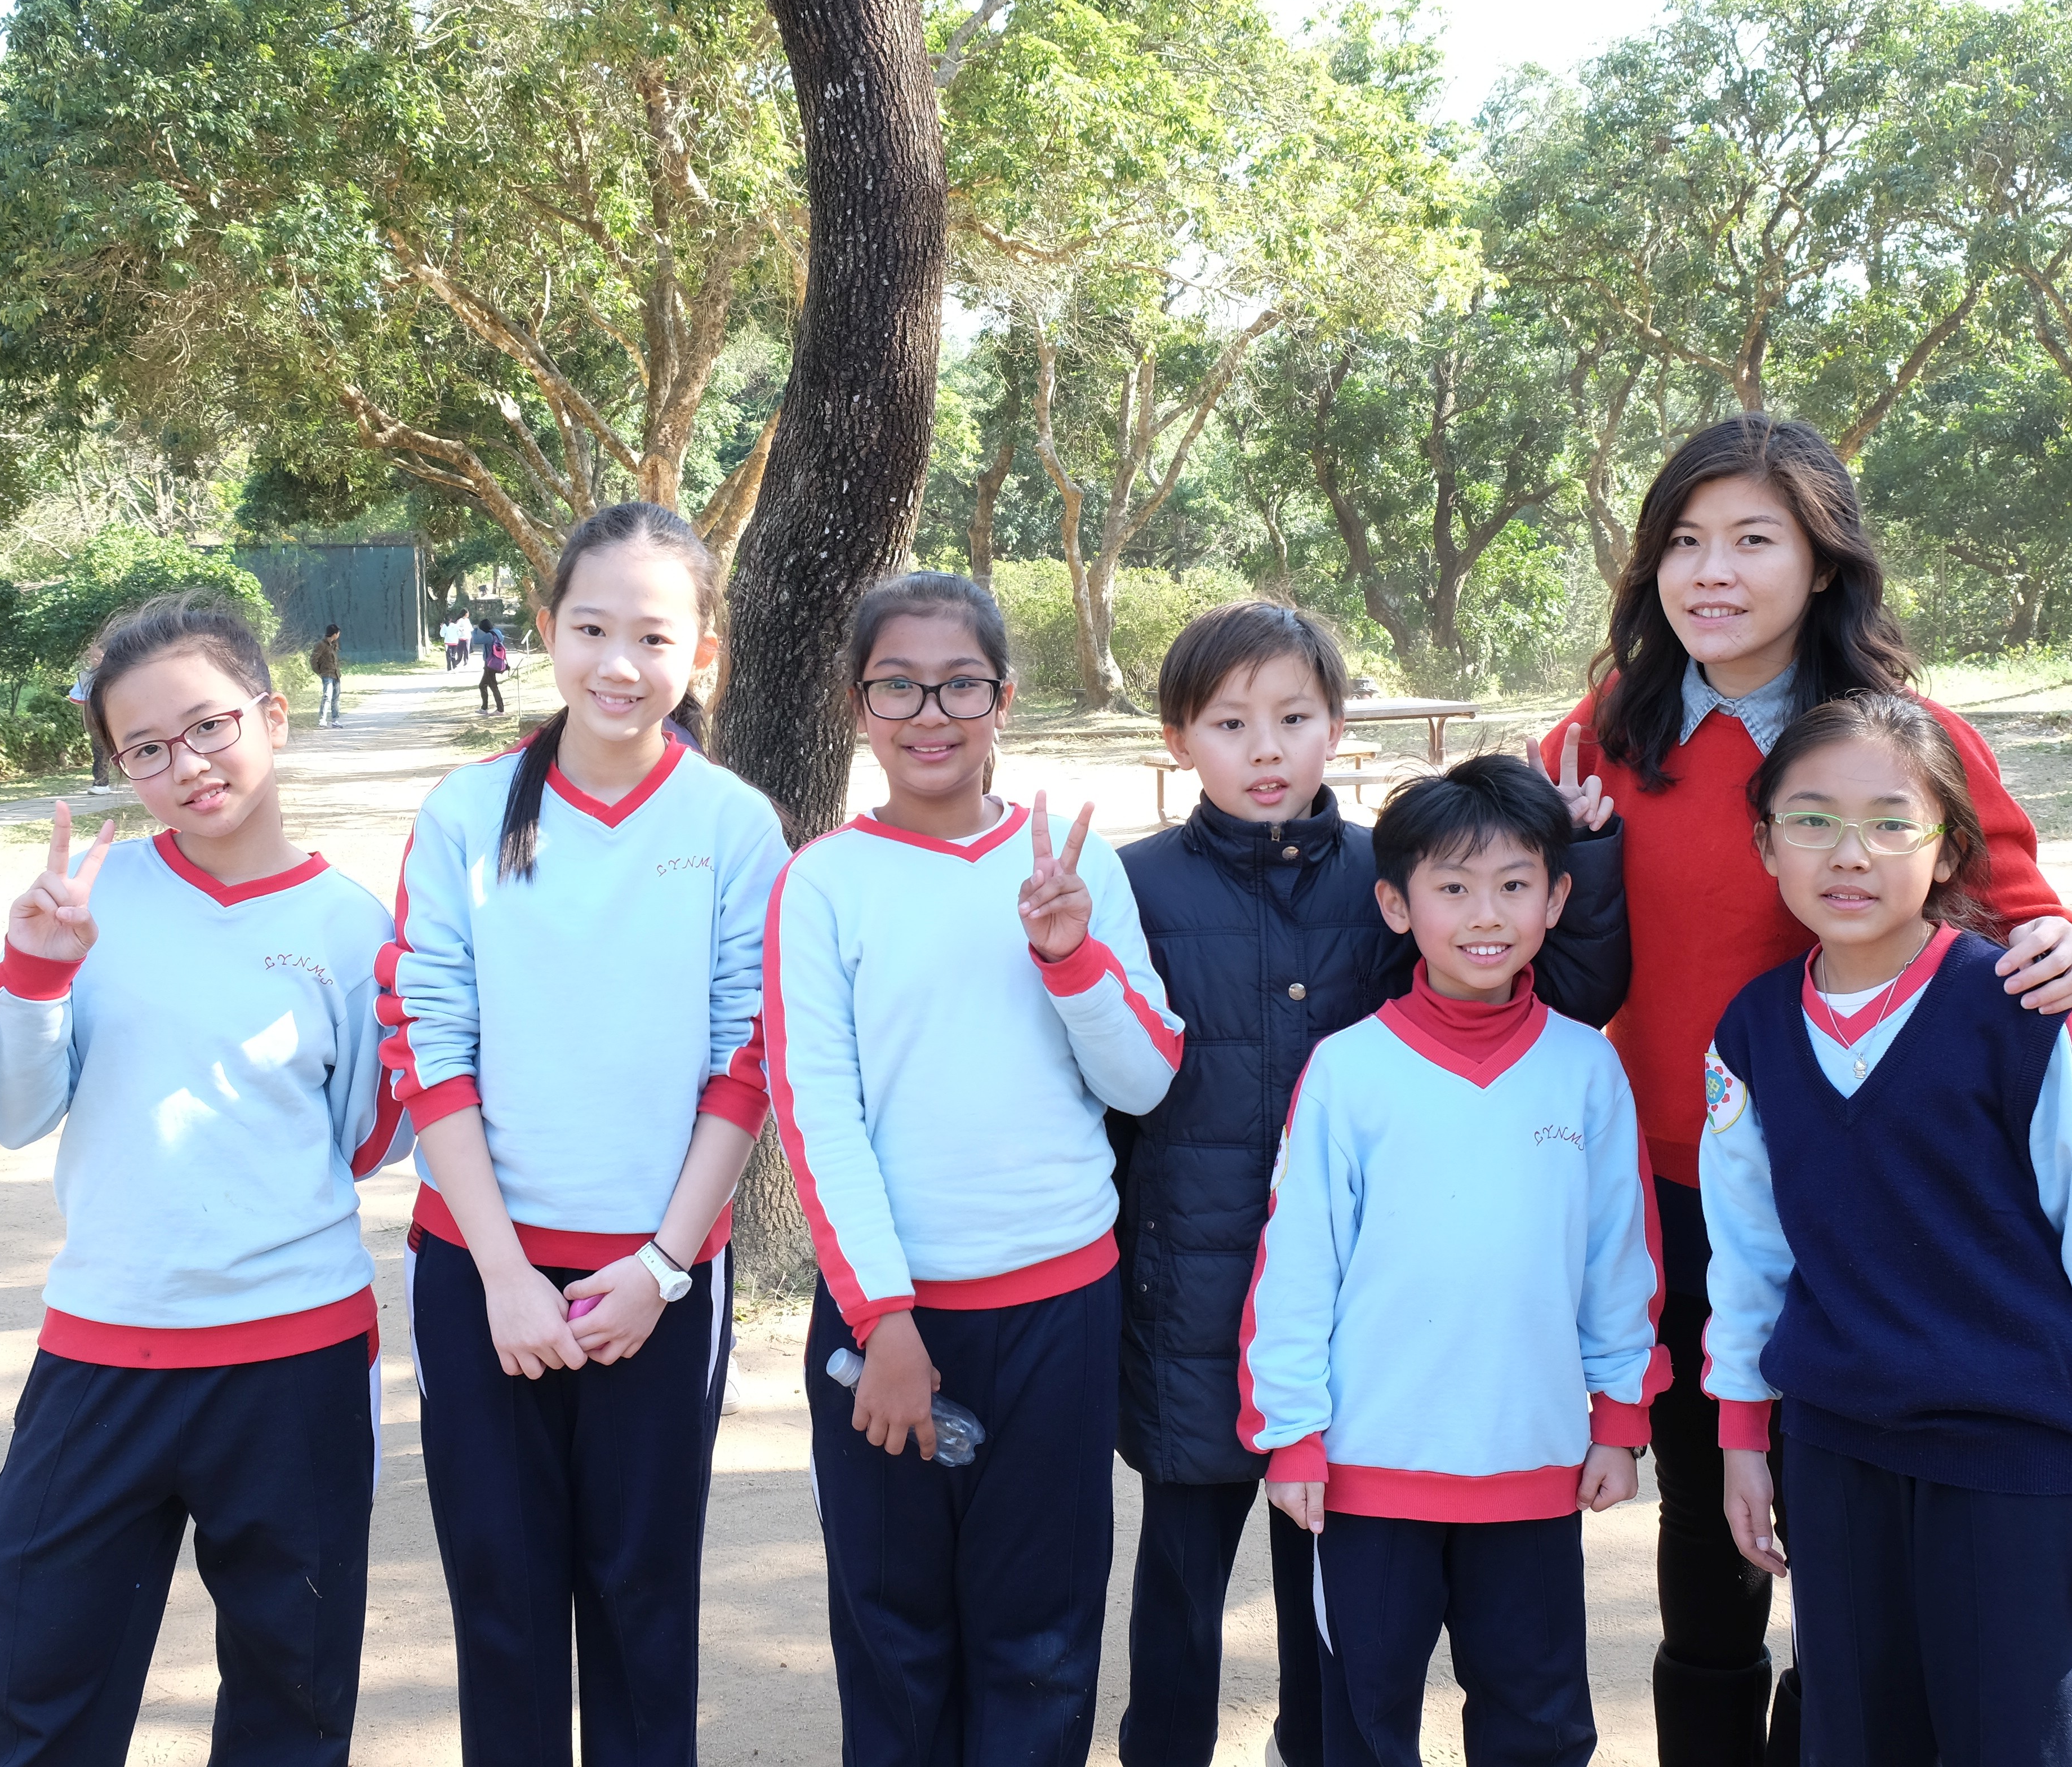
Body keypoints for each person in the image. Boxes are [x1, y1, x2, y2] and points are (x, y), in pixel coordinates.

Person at [1535, 413, 2072, 1761]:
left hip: (1873, 1206)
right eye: (1684, 542)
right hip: (1677, 1195)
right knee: (1709, 1514)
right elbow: (1502, 909)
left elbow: (2020, 914)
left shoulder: (1896, 741)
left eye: (1753, 540)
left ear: (1823, 562)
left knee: (1842, 1520)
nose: (1712, 572)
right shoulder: (1602, 736)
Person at [1111, 600, 1631, 1767]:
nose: (1266, 748)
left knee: (1331, 1600)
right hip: (1190, 1298)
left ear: (1336, 726)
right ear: (1178, 736)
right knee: (1180, 1586)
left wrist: (1583, 860)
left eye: (1294, 718)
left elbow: (1545, 995)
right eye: (1230, 722)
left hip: (1365, 1324)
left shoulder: (1393, 868)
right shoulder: (1132, 881)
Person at [0, 592, 409, 1766]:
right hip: (104, 1349)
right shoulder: (84, 905)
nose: (188, 766)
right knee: (34, 1695)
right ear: (119, 766)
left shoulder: (353, 928)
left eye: (210, 727)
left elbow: (366, 1140)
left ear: (274, 716)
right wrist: (37, 972)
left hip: (296, 1361)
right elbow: (8, 1114)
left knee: (291, 1700)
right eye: (145, 749)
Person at [380, 503, 788, 1767]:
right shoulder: (465, 812)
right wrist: (504, 1278)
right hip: (482, 1274)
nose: (620, 663)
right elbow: (427, 1043)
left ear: (702, 652)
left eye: (654, 637)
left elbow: (745, 1061)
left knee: (642, 1607)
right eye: (591, 628)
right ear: (546, 628)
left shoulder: (732, 823)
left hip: (659, 1281)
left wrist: (662, 1268)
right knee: (503, 1611)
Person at [1701, 691, 2072, 1761]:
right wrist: (1743, 1436)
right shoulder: (1752, 1031)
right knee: (1858, 1735)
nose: (1849, 853)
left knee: (2022, 1740)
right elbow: (1748, 1255)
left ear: (1951, 847)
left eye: (1891, 822)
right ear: (1766, 844)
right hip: (1833, 1451)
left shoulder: (2017, 1010)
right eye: (1811, 819)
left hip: (2015, 1461)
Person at [767, 570, 1181, 1765]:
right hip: (889, 1325)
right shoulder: (824, 881)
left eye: (960, 684)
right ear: (858, 704)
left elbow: (1145, 1078)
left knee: (1040, 1636)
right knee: (896, 1640)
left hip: (1059, 1309)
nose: (930, 713)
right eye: (897, 685)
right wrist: (886, 1323)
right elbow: (818, 1118)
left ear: (1004, 697)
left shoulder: (1071, 866)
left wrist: (1070, 954)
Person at [1238, 754, 1665, 1767]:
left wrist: (1619, 1416)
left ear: (1556, 899)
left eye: (1515, 884)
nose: (1487, 915)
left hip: (1533, 1462)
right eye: (1454, 887)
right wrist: (1292, 1434)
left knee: (1538, 1721)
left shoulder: (1586, 1065)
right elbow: (1296, 1266)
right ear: (1397, 904)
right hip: (1367, 1472)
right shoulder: (1349, 1069)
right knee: (1360, 1725)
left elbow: (1619, 1259)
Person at [65, 670, 114, 795]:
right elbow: (74, 695)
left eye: (100, 659)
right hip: (96, 722)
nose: (96, 661)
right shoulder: (85, 677)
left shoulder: (115, 669)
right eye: (93, 659)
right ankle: (101, 783)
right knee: (100, 752)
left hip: (118, 718)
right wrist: (92, 696)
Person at [310, 622, 343, 728]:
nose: (339, 635)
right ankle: (322, 720)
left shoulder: (334, 645)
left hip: (336, 675)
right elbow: (313, 660)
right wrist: (320, 672)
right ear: (335, 634)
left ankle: (335, 720)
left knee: (336, 698)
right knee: (327, 697)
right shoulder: (321, 645)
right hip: (327, 675)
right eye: (338, 633)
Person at [476, 617, 509, 714]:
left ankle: (500, 709)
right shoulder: (497, 633)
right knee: (483, 685)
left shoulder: (489, 636)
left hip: (490, 664)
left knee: (493, 686)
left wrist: (474, 632)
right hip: (496, 662)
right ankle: (485, 708)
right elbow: (502, 639)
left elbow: (476, 641)